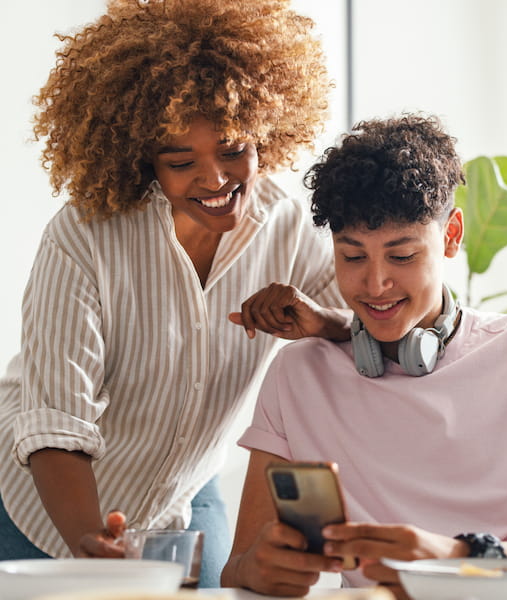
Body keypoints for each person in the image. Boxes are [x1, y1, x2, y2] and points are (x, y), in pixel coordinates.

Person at [0, 0, 351, 587]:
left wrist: (320, 320)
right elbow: (55, 420)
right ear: (144, 161)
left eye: (234, 150)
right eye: (182, 160)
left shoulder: (286, 223)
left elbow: (359, 323)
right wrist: (90, 542)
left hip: (181, 497)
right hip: (38, 505)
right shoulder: (85, 236)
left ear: (266, 130)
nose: (215, 180)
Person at [221, 114, 507, 597]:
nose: (375, 285)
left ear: (451, 236)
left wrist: (460, 558)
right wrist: (260, 569)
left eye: (402, 257)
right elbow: (236, 570)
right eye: (352, 256)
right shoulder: (299, 374)